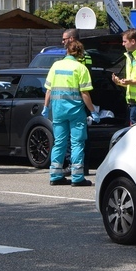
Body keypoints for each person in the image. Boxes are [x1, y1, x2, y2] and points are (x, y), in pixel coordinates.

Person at [43, 39, 98, 186]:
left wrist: (45, 107)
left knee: (59, 143)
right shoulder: (81, 69)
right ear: (80, 54)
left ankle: (55, 175)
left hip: (58, 111)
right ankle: (77, 177)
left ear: (66, 50)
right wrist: (93, 111)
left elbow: (49, 90)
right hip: (75, 112)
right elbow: (85, 93)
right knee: (77, 143)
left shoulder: (55, 66)